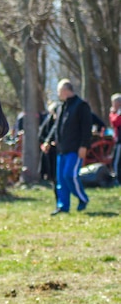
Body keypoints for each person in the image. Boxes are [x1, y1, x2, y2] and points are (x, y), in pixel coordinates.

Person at [41, 79, 92, 215]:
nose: (58, 94)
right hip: (62, 149)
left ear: (65, 90)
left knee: (70, 175)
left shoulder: (81, 106)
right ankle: (63, 206)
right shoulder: (61, 107)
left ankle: (83, 198)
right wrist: (47, 141)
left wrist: (84, 146)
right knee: (61, 179)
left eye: (59, 91)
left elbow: (87, 128)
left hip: (75, 149)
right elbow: (55, 127)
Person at [38, 102, 59, 201]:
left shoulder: (60, 121)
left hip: (59, 151)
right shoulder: (48, 121)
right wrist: (46, 143)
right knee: (53, 177)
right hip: (49, 151)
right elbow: (41, 135)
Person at [109, 93, 121, 183]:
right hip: (117, 140)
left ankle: (117, 179)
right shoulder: (116, 113)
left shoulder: (118, 113)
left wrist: (113, 113)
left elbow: (115, 122)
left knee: (117, 161)